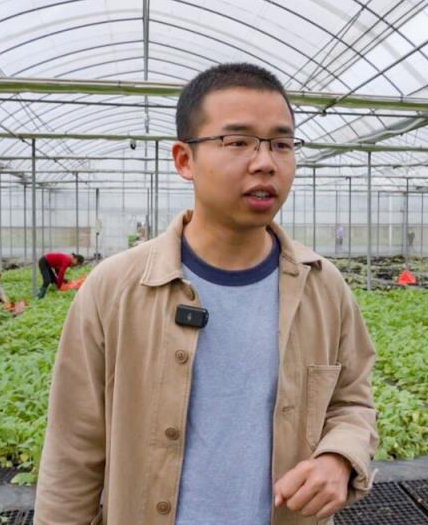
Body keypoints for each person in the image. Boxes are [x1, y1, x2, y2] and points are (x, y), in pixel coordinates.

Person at [35, 63, 378, 525]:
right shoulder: (114, 289)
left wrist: (339, 456)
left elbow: (352, 400)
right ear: (184, 160)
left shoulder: (324, 287)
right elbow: (72, 452)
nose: (265, 162)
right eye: (237, 142)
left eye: (282, 144)